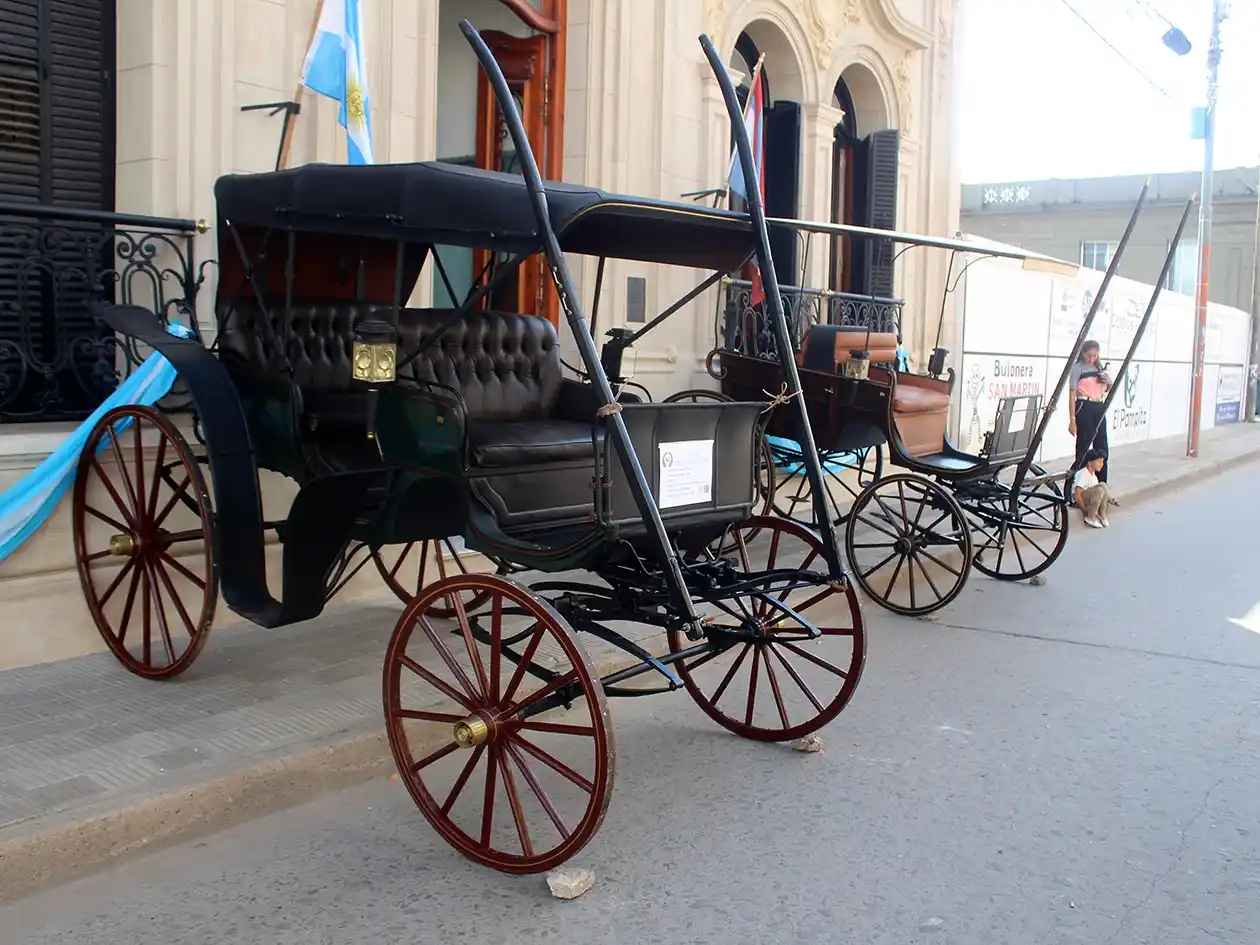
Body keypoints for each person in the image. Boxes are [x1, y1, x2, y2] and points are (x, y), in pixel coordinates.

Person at [1068, 339, 1117, 506]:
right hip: (1084, 405)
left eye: (1095, 356)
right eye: (1089, 356)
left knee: (1102, 448)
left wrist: (1108, 381)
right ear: (1083, 354)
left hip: (1098, 405)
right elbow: (1072, 395)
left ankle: (1101, 488)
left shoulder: (1099, 368)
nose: (1092, 359)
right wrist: (1072, 419)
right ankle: (1077, 491)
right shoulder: (1077, 368)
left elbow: (1105, 389)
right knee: (1083, 448)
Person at [1073, 448, 1109, 528]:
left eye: (1102, 462)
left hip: (1090, 499)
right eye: (1099, 462)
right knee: (1099, 490)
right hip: (1080, 500)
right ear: (1089, 463)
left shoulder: (1094, 477)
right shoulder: (1083, 473)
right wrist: (1085, 510)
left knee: (1103, 485)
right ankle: (1090, 517)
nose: (1101, 464)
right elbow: (1077, 495)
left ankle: (1102, 514)